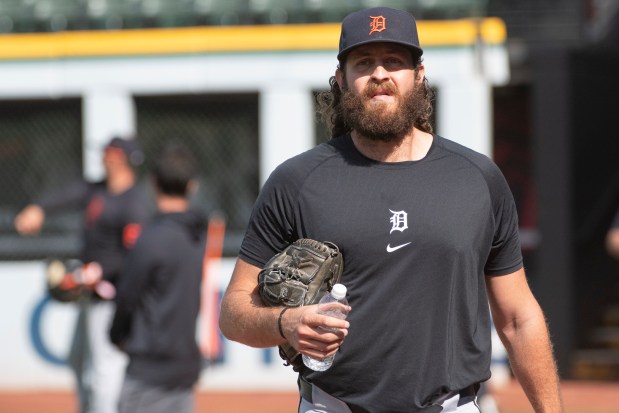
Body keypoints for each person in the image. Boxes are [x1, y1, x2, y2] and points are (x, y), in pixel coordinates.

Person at [219, 7, 564, 413]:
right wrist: (285, 324)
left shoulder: (478, 179)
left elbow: (518, 317)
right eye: (363, 62)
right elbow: (233, 311)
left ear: (419, 75)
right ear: (341, 79)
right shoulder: (296, 182)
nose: (379, 73)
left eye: (394, 61)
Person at [14, 136, 151, 413]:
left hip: (113, 296)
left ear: (121, 159)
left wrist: (94, 272)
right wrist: (38, 209)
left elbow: (134, 257)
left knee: (104, 371)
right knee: (78, 361)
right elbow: (67, 195)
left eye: (108, 152)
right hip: (92, 293)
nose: (103, 157)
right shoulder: (97, 190)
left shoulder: (133, 203)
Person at [110, 143, 206, 413]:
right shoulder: (197, 236)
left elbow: (127, 298)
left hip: (149, 370)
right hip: (184, 367)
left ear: (153, 183)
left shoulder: (150, 239)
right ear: (193, 185)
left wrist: (115, 335)